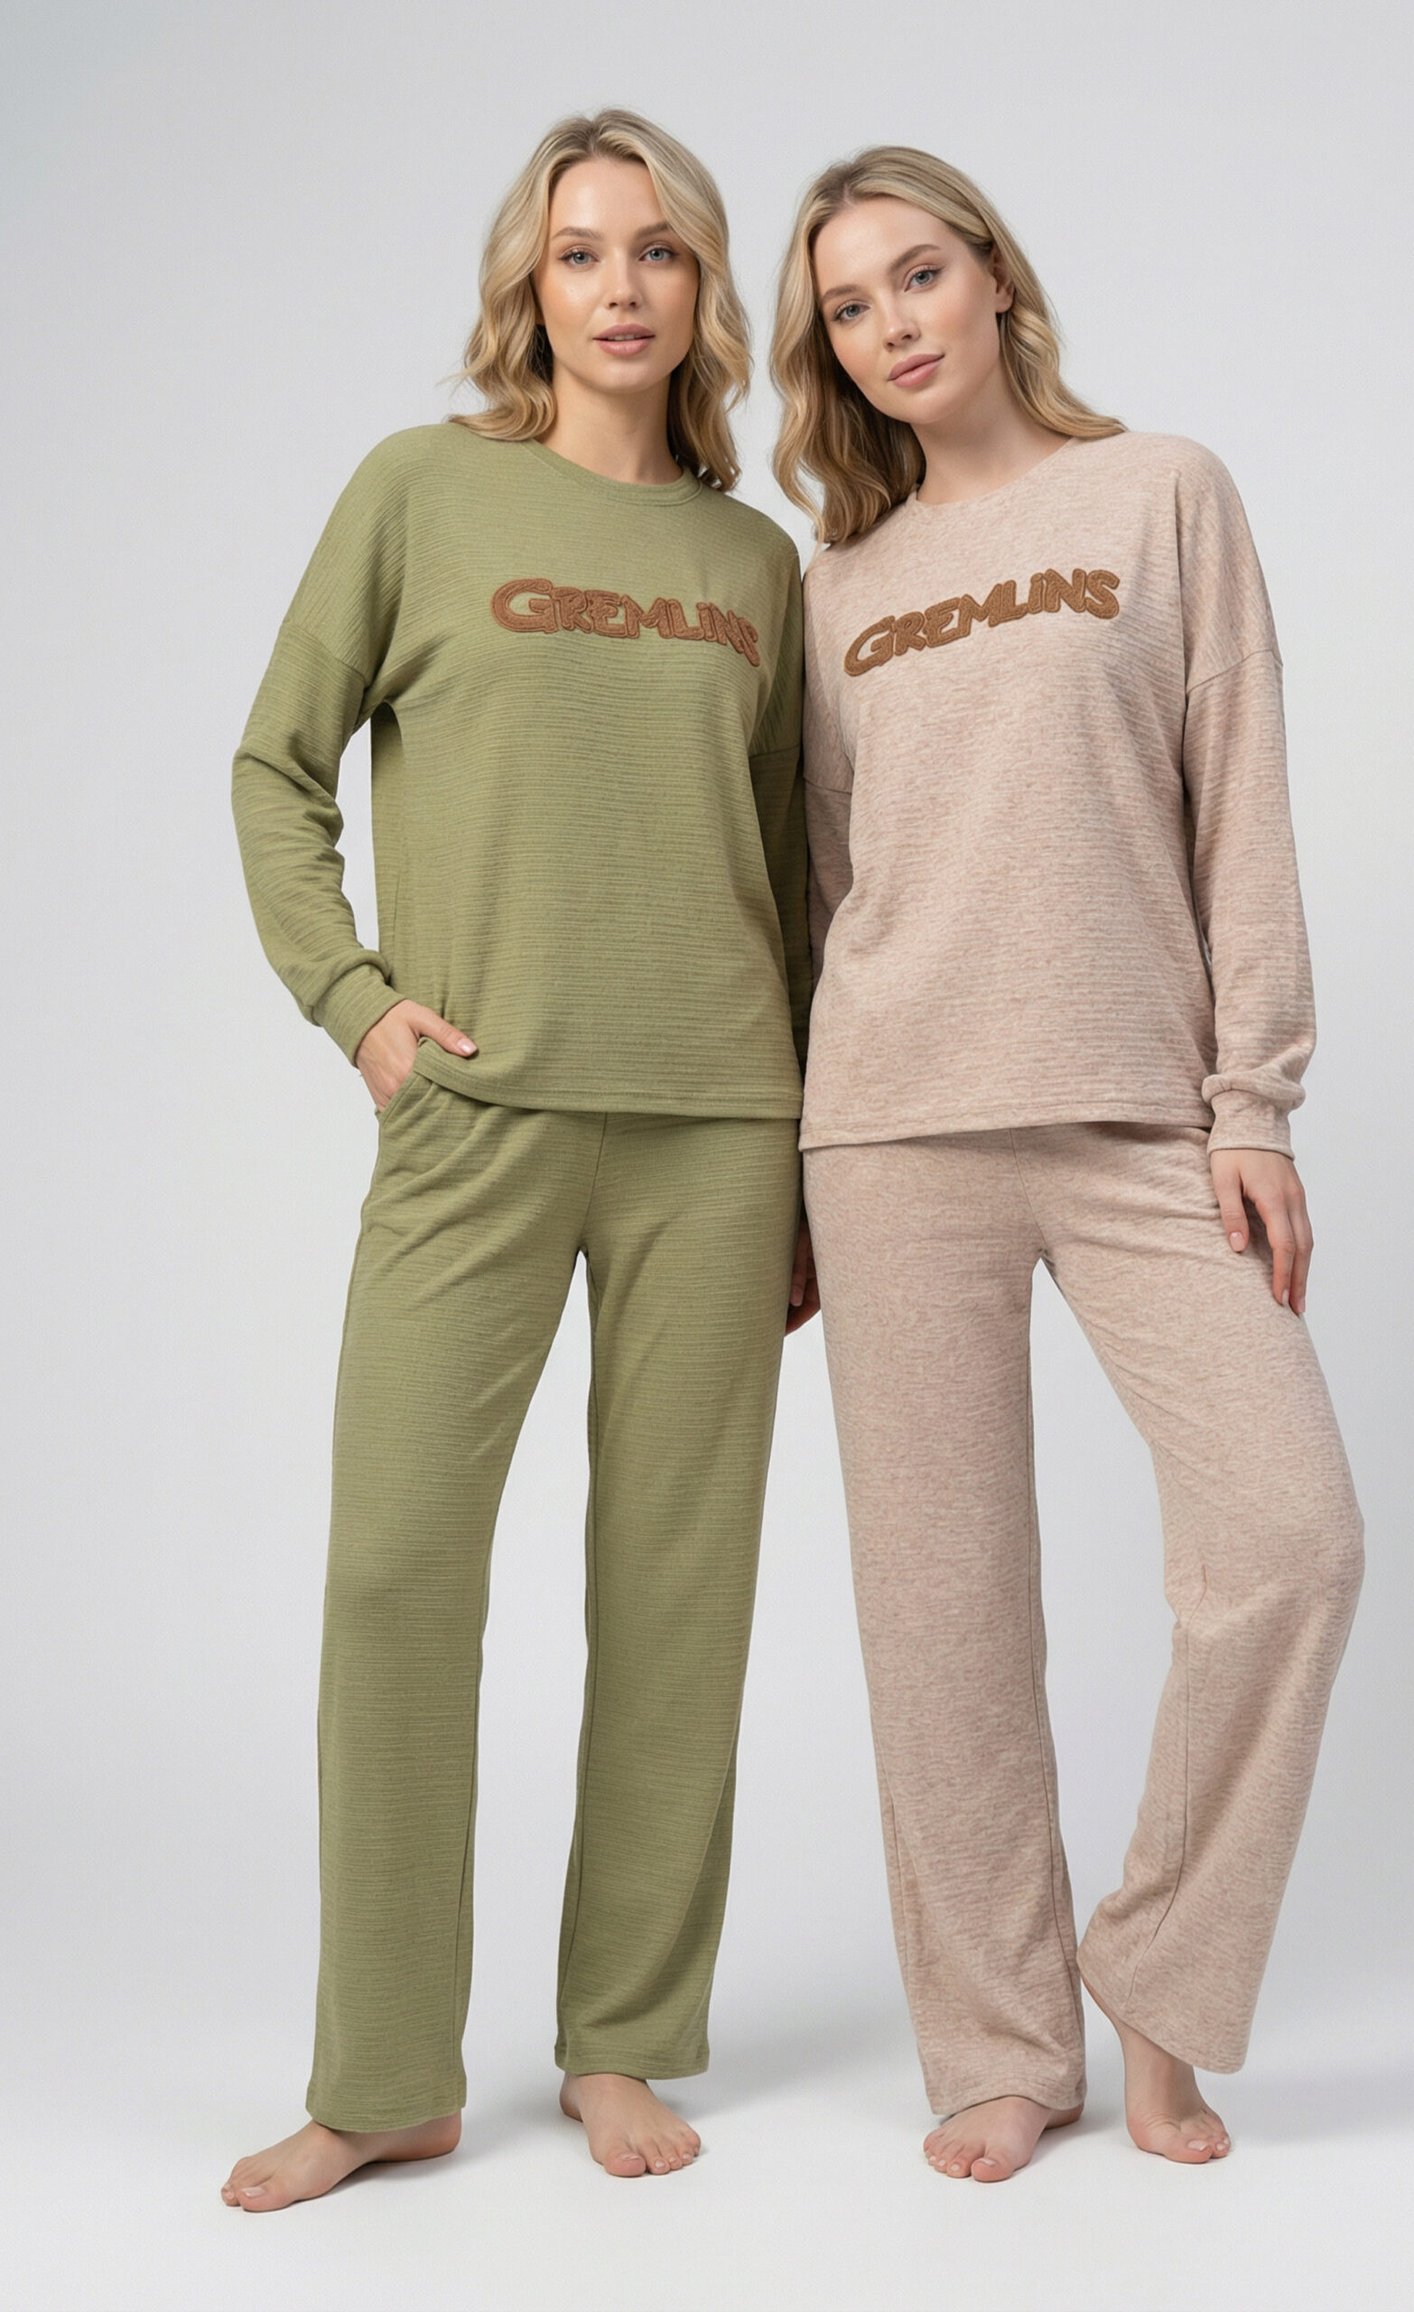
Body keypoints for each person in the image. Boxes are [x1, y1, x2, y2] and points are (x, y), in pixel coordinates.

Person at [222, 108, 816, 2212]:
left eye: (658, 250)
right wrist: (357, 1001)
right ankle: (385, 2069)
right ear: (527, 287)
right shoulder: (421, 489)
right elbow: (276, 766)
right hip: (473, 1119)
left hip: (720, 1129)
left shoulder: (757, 568)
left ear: (703, 288)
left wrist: (812, 1161)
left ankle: (622, 2036)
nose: (620, 287)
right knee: (396, 1573)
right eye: (579, 251)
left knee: (675, 1593)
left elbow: (797, 887)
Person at [772, 146, 1365, 2182]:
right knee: (942, 1621)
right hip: (886, 1128)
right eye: (848, 307)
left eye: (917, 274)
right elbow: (824, 890)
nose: (892, 324)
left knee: (1289, 1536)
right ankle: (999, 2043)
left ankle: (1160, 1984)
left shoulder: (1161, 493)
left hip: (1133, 1111)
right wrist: (783, 1175)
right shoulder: (834, 591)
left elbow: (1239, 801)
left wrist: (1250, 1099)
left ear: (997, 278)